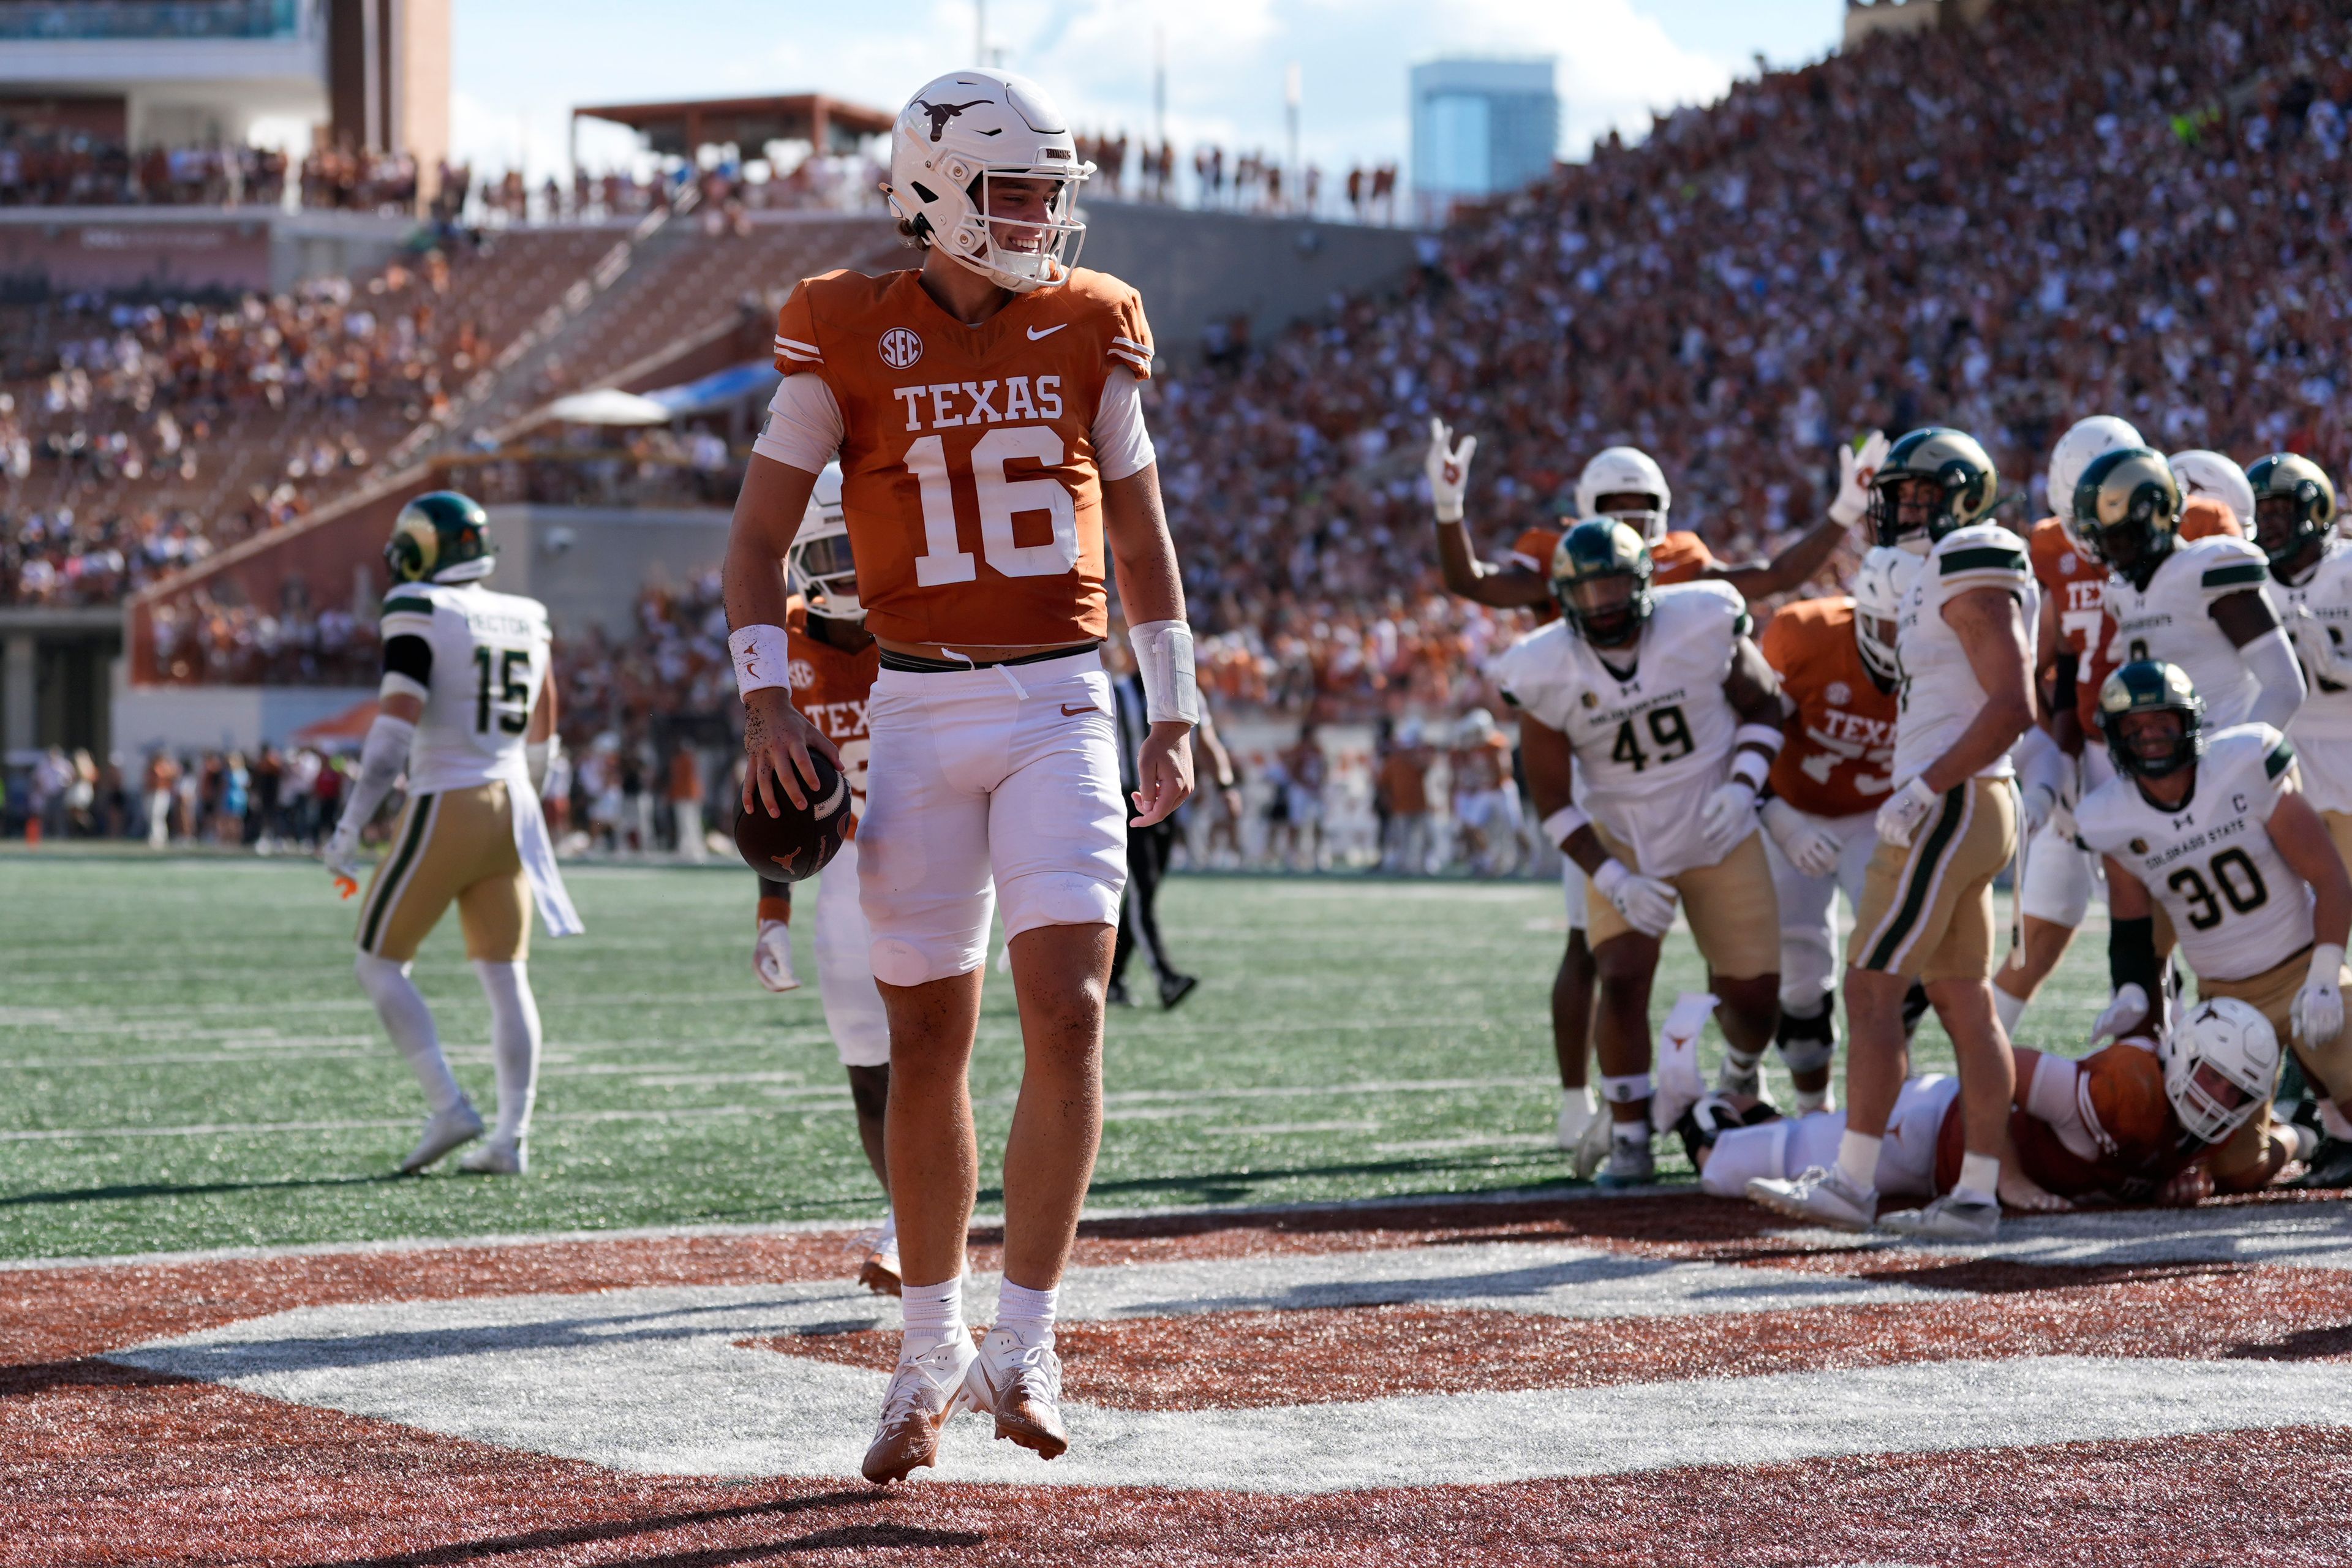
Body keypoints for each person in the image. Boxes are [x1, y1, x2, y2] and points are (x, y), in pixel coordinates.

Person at [720, 67, 1194, 1485]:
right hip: (916, 713)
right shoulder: (840, 324)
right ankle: (926, 1339)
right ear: (928, 191)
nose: (1038, 219)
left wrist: (1172, 707)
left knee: (1071, 1002)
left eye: (1050, 193)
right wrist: (763, 699)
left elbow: (1148, 534)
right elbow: (754, 543)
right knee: (924, 1044)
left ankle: (1028, 1331)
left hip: (1061, 700)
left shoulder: (1091, 320)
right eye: (1009, 192)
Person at [1427, 424, 1884, 1165]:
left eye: (1645, 510)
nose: (1632, 525)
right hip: (1600, 784)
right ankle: (1591, 1103)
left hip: (1703, 782)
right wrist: (1449, 510)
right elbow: (1475, 583)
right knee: (1603, 953)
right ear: (1582, 512)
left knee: (1737, 949)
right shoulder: (1556, 576)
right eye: (1617, 507)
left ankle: (1737, 1071)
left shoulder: (1689, 581)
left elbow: (1766, 584)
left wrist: (1840, 511)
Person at [1747, 428, 2044, 1241]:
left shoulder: (1970, 558)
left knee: (1873, 987)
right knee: (1961, 999)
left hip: (1955, 800)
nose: (1902, 508)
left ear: (1963, 498)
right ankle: (1977, 1195)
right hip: (1967, 799)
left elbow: (2014, 704)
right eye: (1899, 495)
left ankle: (1852, 1183)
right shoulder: (1924, 573)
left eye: (1920, 495)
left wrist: (1925, 786)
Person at [1498, 518, 1787, 1186]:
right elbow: (1554, 801)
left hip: (1717, 823)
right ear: (1564, 599)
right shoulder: (1542, 667)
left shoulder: (1700, 619)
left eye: (1612, 587)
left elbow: (1766, 706)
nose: (1600, 604)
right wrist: (1612, 874)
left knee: (1754, 996)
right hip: (1623, 833)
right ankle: (1630, 1136)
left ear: (1645, 584)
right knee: (1621, 973)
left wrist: (1745, 785)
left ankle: (1740, 1072)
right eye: (1586, 591)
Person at [323, 491, 584, 1177]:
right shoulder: (528, 615)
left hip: (448, 797)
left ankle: (448, 1105)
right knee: (505, 974)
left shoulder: (421, 608)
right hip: (513, 805)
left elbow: (391, 732)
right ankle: (512, 1136)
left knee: (377, 961)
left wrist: (351, 821)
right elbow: (545, 728)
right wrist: (525, 798)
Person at [1999, 434, 2291, 1032]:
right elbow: (2062, 665)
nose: (2101, 547)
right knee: (2112, 832)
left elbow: (2283, 682)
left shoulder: (2209, 559)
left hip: (2225, 771)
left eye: (2114, 534)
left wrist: (2233, 765)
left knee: (2273, 934)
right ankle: (2143, 1004)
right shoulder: (2122, 587)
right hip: (2162, 770)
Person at [2075, 659, 2352, 1188]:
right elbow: (2133, 932)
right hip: (2225, 1002)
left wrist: (2325, 973)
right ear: (2115, 740)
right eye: (2134, 729)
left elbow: (2331, 878)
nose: (2150, 738)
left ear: (2188, 723)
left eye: (2161, 723)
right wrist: (2133, 992)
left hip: (2302, 972)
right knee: (2234, 1171)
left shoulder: (2243, 762)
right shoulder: (2111, 817)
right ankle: (2303, 1135)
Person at [1690, 998, 2301, 1205]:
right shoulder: (2127, 1088)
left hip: (1944, 1170)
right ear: (2184, 1055)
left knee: (1804, 1136)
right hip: (1935, 1131)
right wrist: (1999, 1170)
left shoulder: (2222, 1133)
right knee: (1724, 1169)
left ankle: (1751, 1111)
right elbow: (1994, 1065)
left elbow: (2283, 1143)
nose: (2220, 1099)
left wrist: (2189, 1175)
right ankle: (1698, 1110)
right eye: (2212, 1077)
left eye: (2237, 1091)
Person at [751, 462, 899, 1292]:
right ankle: (905, 1220)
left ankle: (912, 1235)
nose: (844, 566)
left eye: (859, 545)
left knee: (925, 1062)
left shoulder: (920, 629)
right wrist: (772, 909)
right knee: (869, 1078)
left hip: (929, 861)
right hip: (839, 874)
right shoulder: (783, 645)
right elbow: (775, 797)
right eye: (829, 548)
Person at [1753, 549, 1909, 1115]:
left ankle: (1887, 1102)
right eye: (1885, 625)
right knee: (1799, 974)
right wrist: (1778, 818)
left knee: (1902, 959)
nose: (1897, 640)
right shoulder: (1808, 634)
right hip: (1794, 807)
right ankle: (1813, 1111)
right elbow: (1745, 734)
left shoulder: (1950, 648)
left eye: (1908, 624)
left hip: (1880, 813)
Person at [1108, 636, 1229, 1008]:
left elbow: (1206, 741)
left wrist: (1227, 784)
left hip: (1170, 801)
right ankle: (1165, 977)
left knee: (1147, 891)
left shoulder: (1185, 692)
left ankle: (1112, 981)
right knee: (1143, 890)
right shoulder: (1115, 692)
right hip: (1129, 798)